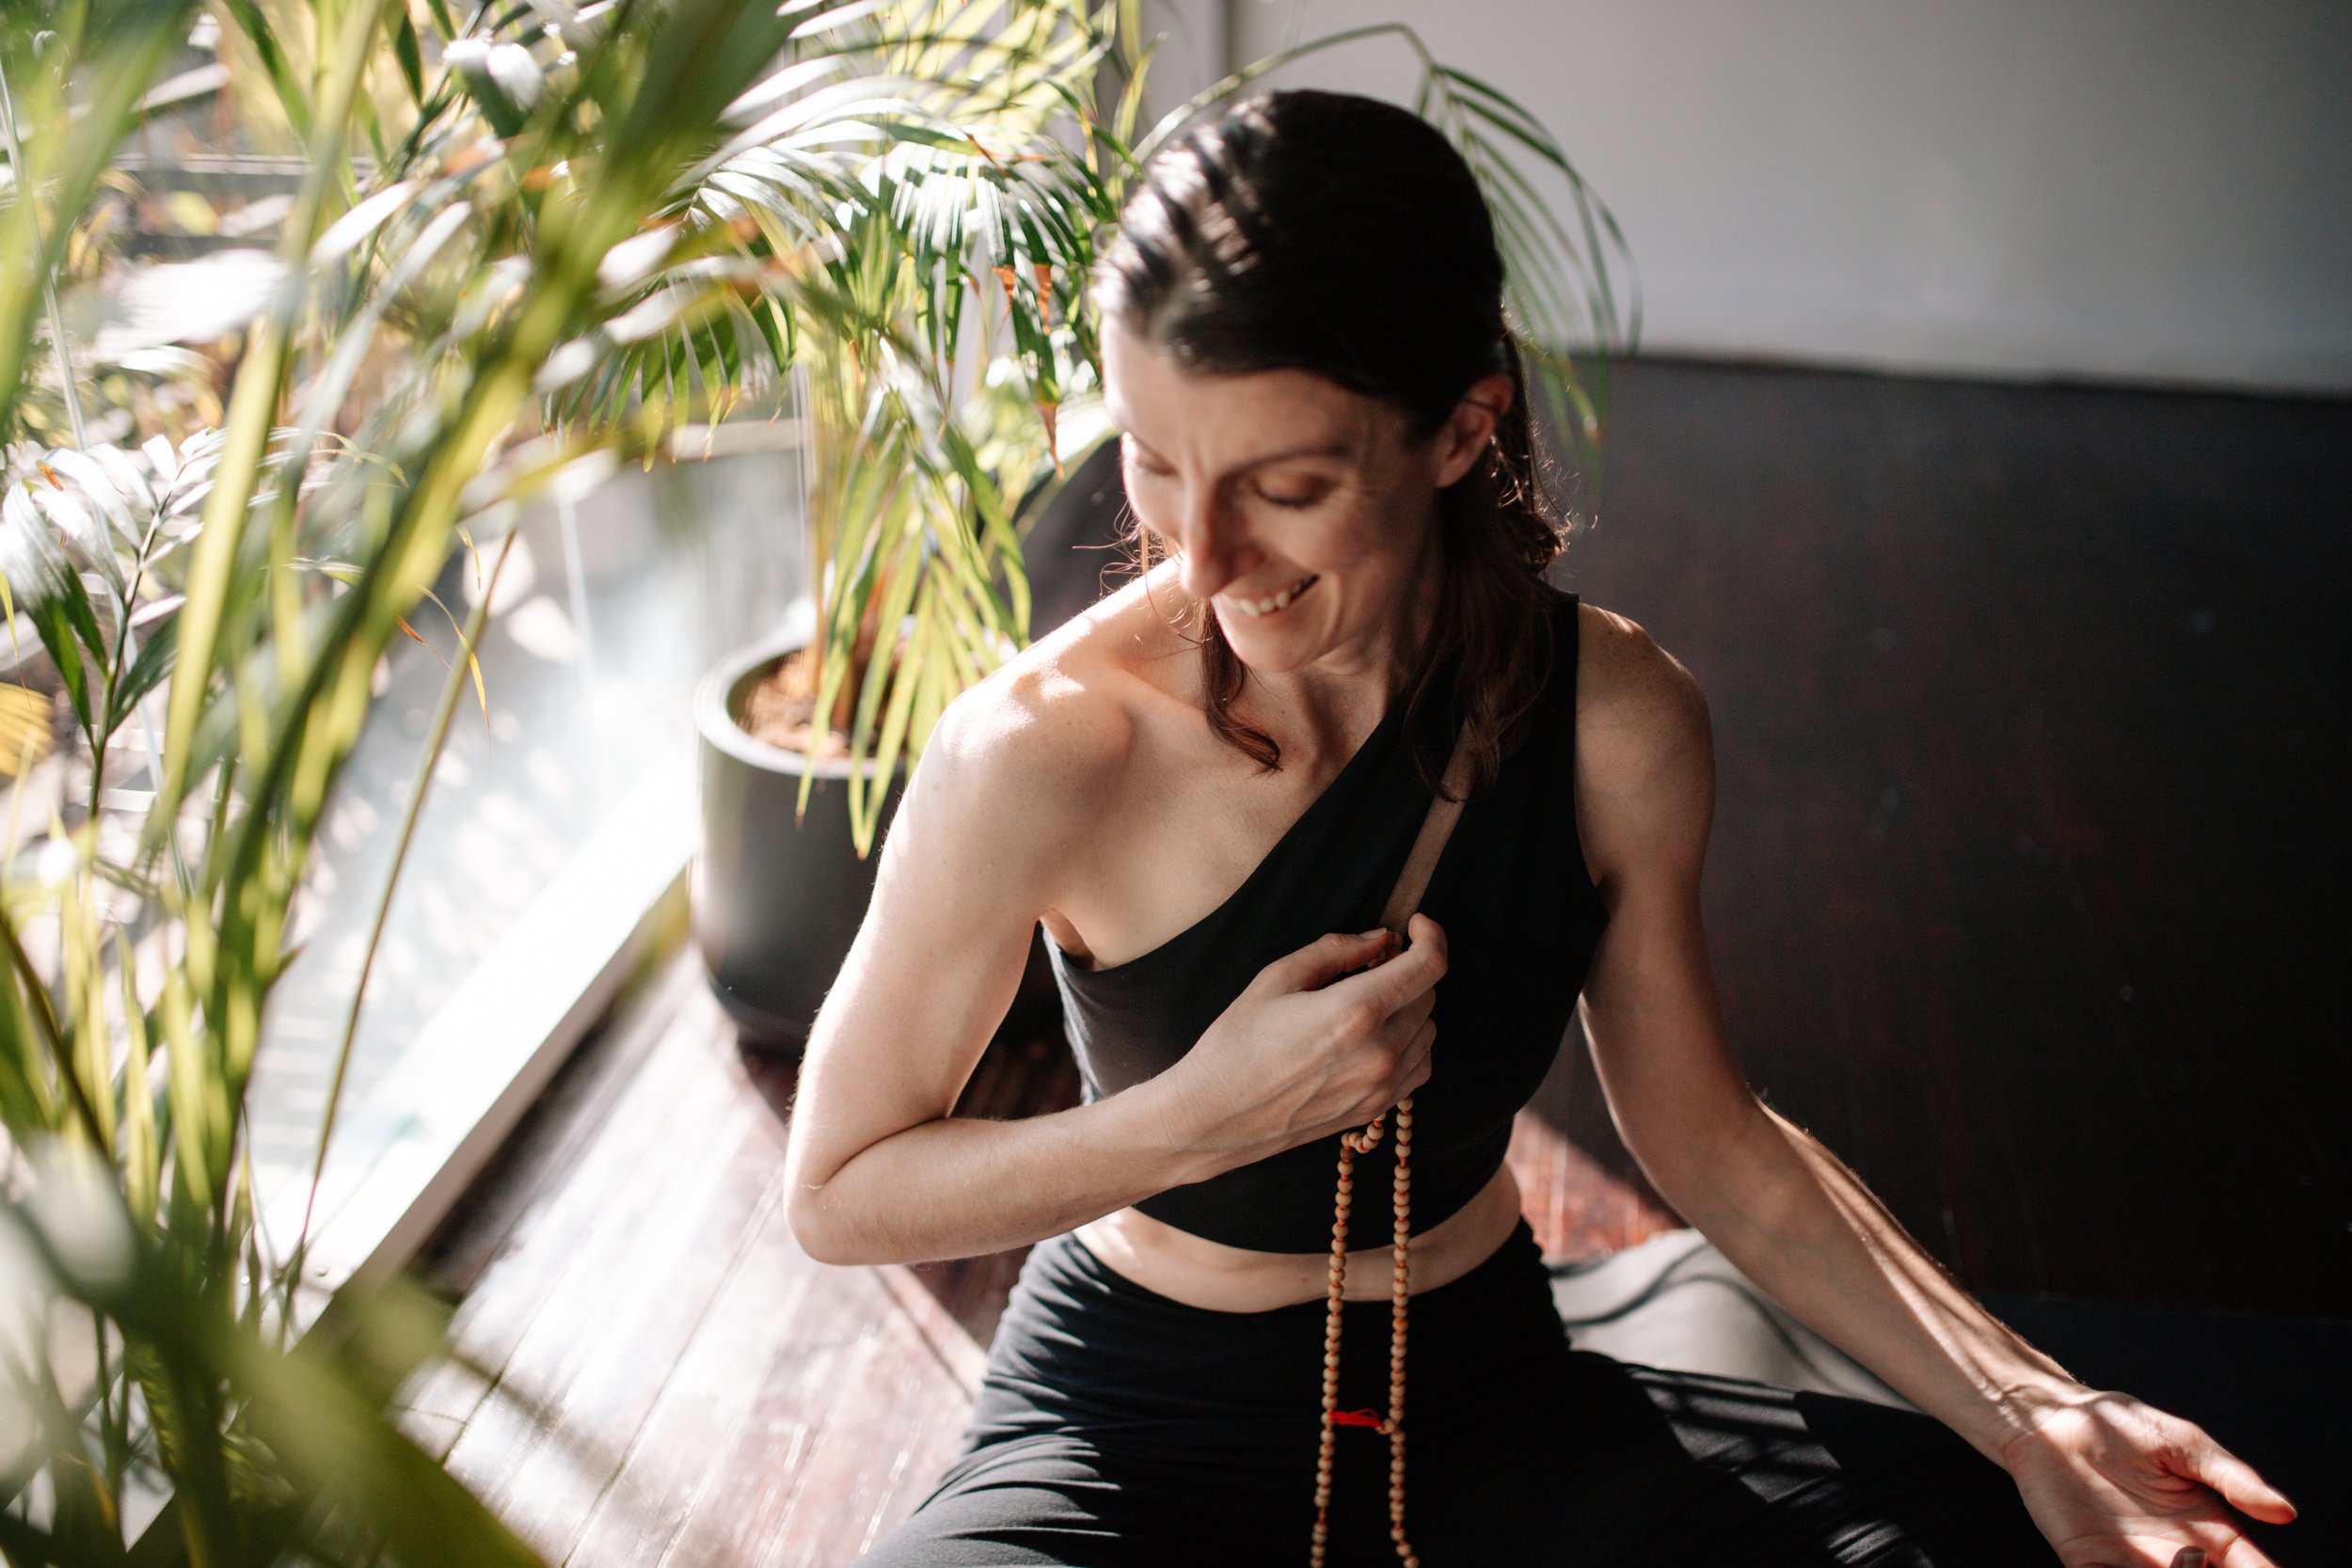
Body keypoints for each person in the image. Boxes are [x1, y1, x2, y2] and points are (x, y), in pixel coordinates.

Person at [781, 89, 2297, 1567]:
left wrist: (2033, 1410)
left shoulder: (1616, 721)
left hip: (1488, 1393)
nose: (1205, 559)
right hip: (1127, 1423)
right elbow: (840, 1193)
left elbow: (1708, 1136)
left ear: (1459, 430)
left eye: (1287, 486)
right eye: (1155, 463)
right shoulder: (1041, 749)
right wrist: (1193, 1121)